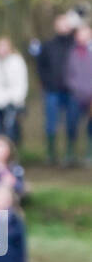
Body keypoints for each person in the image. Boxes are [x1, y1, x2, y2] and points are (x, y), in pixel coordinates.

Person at [37, 13, 81, 165]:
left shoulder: (76, 46)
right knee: (51, 122)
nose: (64, 26)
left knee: (72, 122)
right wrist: (47, 83)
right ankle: (51, 153)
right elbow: (41, 67)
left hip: (72, 92)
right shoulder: (48, 46)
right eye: (60, 23)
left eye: (66, 23)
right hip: (52, 90)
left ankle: (70, 153)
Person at [65, 23, 92, 166]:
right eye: (80, 33)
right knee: (72, 123)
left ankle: (89, 154)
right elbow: (69, 73)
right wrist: (76, 88)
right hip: (76, 95)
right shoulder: (73, 52)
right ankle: (70, 153)